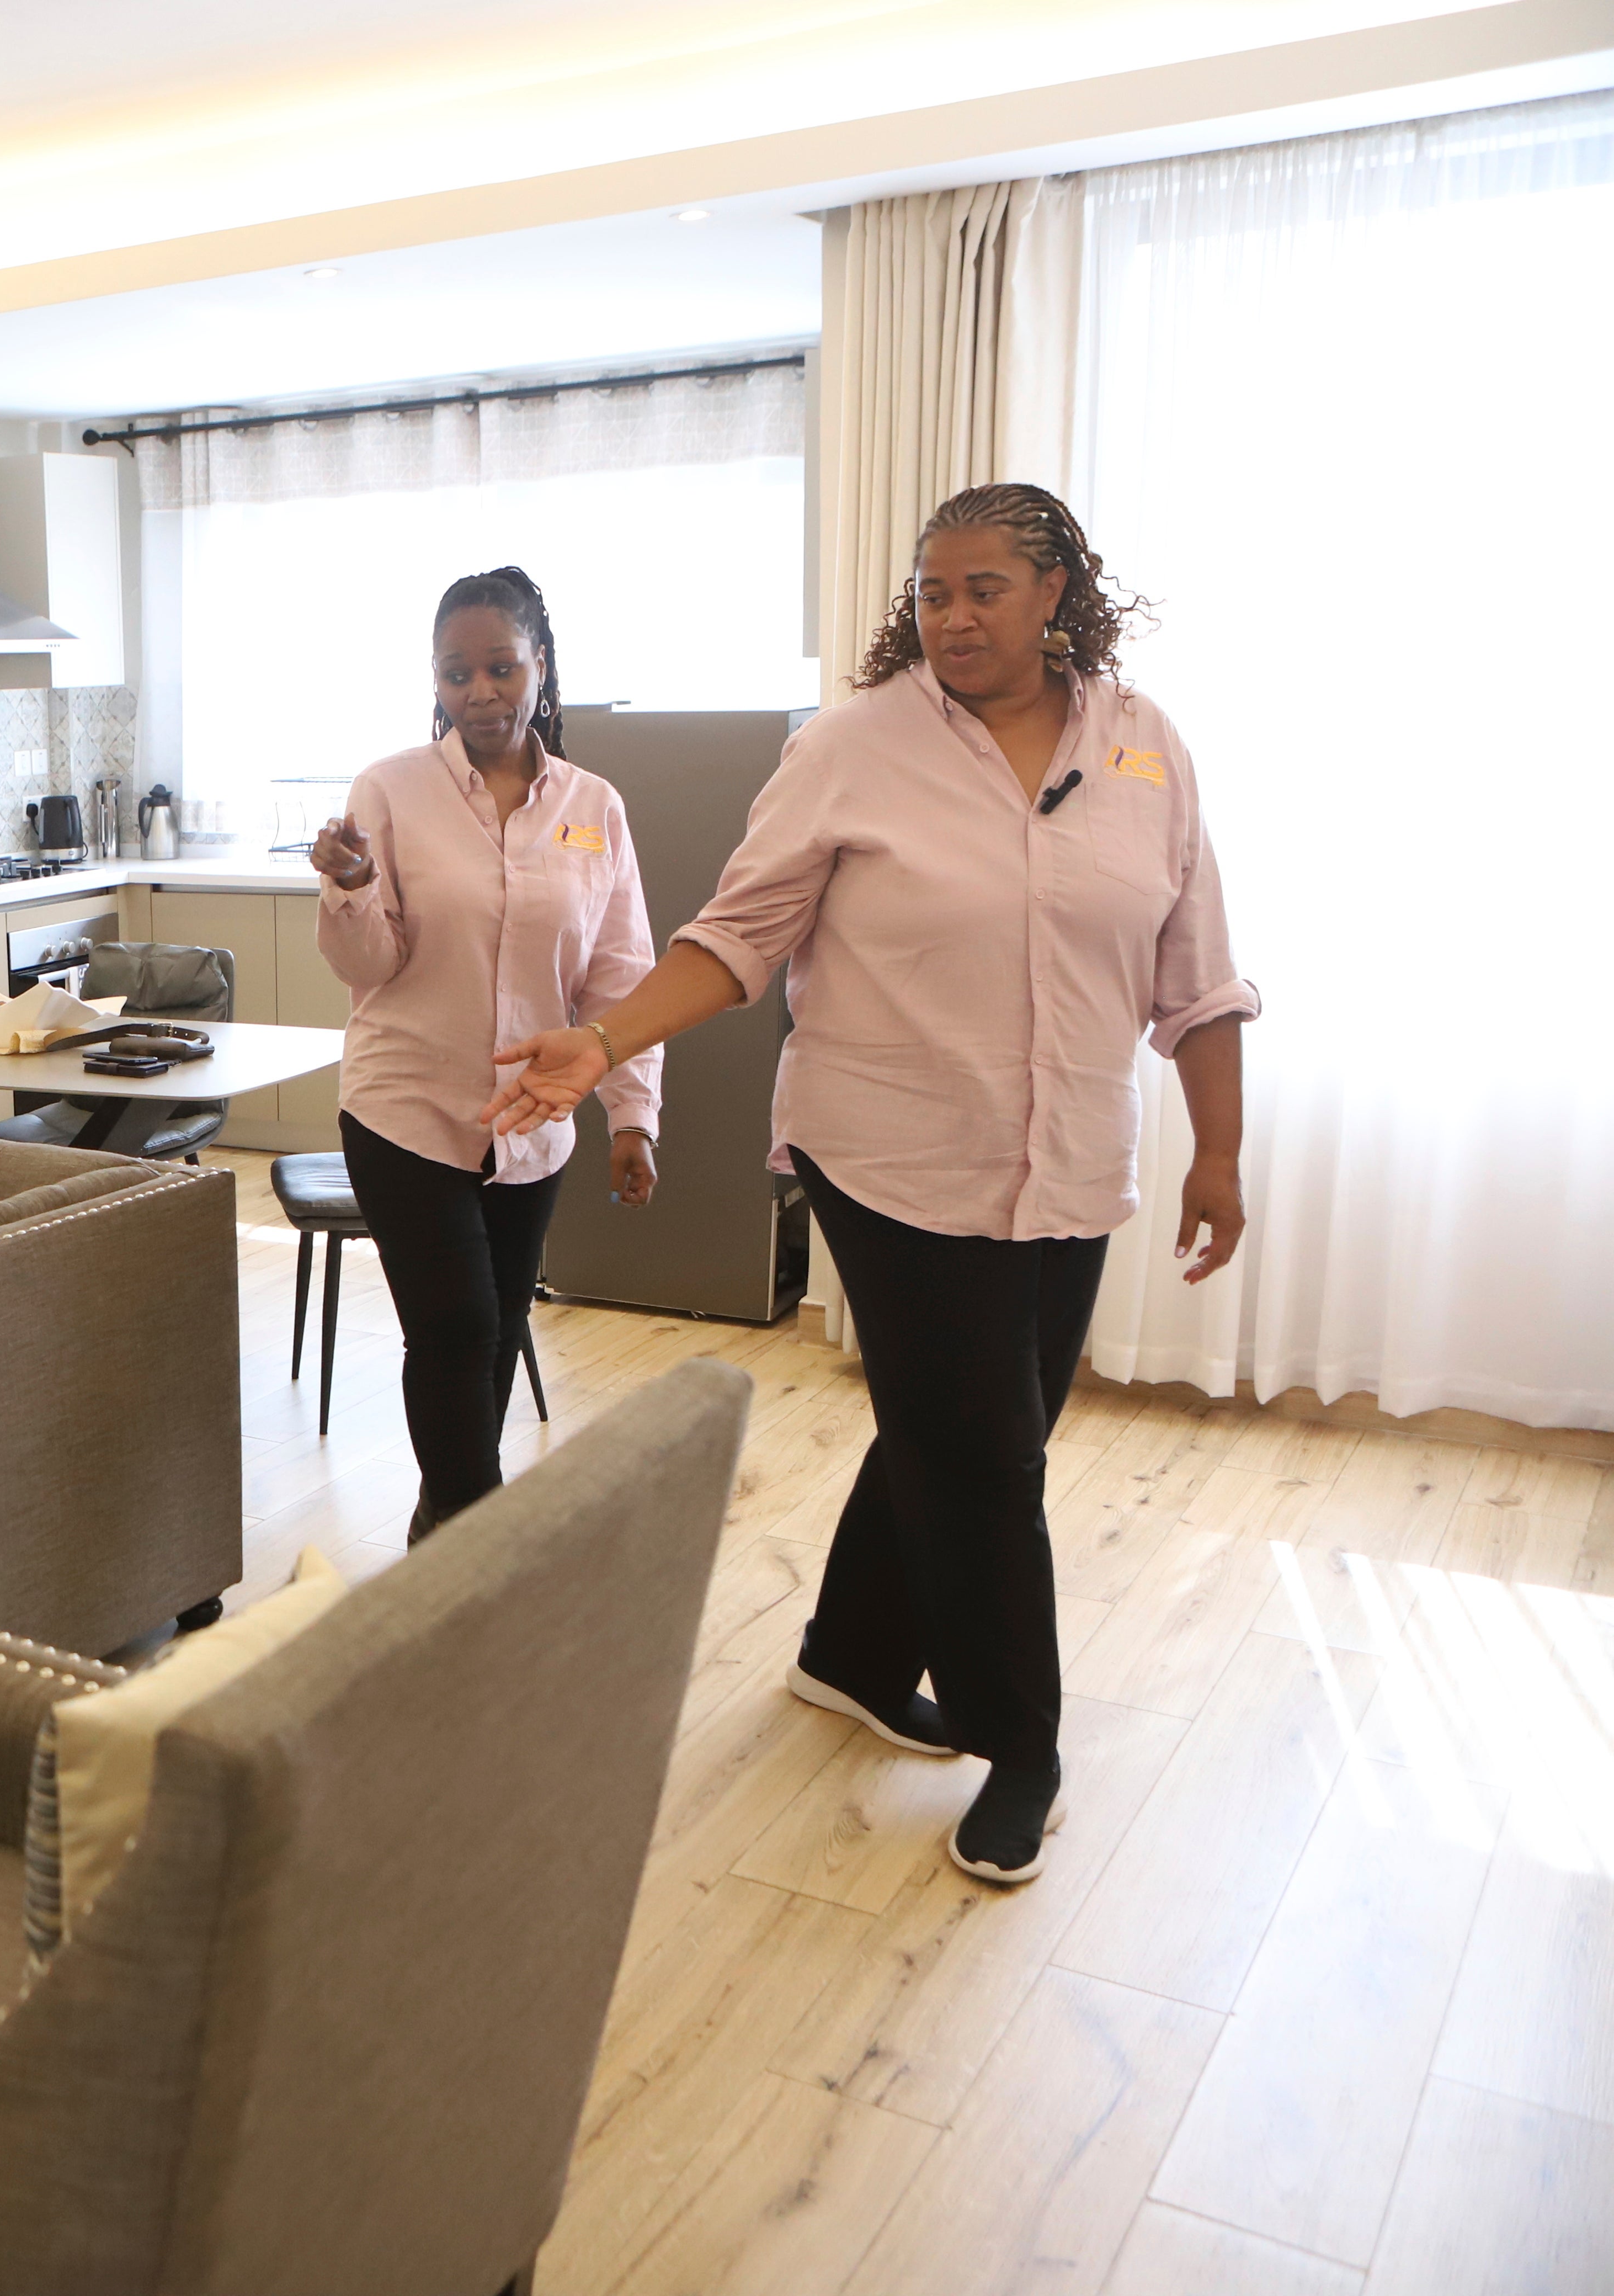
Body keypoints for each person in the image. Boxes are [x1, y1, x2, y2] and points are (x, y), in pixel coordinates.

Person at [480, 483, 1256, 1885]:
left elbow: (1196, 976)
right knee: (989, 1453)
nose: (951, 616)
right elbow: (737, 938)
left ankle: (847, 1655)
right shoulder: (855, 749)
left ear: (1059, 592)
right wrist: (601, 1042)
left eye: (985, 590)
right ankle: (1026, 1747)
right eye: (933, 591)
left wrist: (1220, 1147)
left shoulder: (1147, 749)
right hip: (891, 1153)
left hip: (1068, 1160)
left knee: (961, 1423)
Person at [310, 565, 661, 1542]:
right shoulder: (389, 789)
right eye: (457, 673)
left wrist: (632, 1117)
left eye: (501, 667)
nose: (480, 692)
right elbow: (368, 966)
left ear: (540, 667)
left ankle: (444, 1528)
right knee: (457, 1327)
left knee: (498, 1333)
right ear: (435, 680)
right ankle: (476, 1552)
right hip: (406, 1107)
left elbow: (621, 975)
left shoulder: (594, 806)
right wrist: (348, 890)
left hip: (532, 1119)